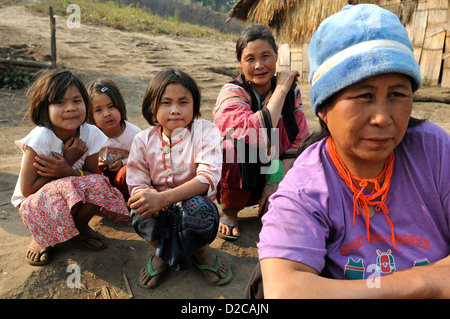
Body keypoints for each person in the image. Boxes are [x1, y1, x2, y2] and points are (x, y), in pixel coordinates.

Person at [255, 3, 450, 298]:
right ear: (323, 108)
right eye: (364, 96)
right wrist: (426, 282)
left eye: (397, 94)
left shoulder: (433, 150)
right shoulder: (307, 187)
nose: (383, 117)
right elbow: (285, 290)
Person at [11, 69, 130, 266]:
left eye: (77, 101)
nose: (70, 108)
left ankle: (80, 227)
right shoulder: (41, 138)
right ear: (44, 108)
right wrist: (66, 160)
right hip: (37, 202)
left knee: (100, 183)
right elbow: (27, 190)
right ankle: (42, 236)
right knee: (65, 186)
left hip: (70, 192)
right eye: (60, 102)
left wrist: (67, 170)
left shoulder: (90, 133)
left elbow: (93, 174)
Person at [127, 69, 232, 289]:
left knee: (199, 212)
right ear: (153, 110)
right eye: (166, 103)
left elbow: (206, 179)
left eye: (183, 102)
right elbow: (137, 183)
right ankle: (163, 252)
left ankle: (201, 251)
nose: (175, 110)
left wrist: (162, 198)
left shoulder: (207, 131)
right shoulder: (142, 140)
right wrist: (148, 196)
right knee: (139, 210)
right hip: (160, 210)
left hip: (197, 206)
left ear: (194, 107)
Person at [213, 24, 309, 240]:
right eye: (250, 59)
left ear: (276, 57)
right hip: (241, 177)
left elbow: (300, 136)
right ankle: (229, 211)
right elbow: (251, 132)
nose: (259, 65)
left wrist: (276, 180)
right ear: (240, 63)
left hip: (277, 168)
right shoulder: (232, 92)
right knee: (232, 148)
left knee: (312, 151)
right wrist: (281, 90)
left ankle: (277, 201)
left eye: (266, 56)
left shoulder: (291, 90)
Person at [86, 78, 141, 202]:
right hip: (102, 185)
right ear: (90, 115)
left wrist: (123, 163)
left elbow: (142, 159)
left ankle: (125, 203)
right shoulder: (90, 136)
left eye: (111, 106)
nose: (106, 114)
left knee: (128, 171)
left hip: (124, 185)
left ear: (120, 106)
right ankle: (102, 203)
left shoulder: (135, 134)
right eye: (98, 110)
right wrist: (96, 162)